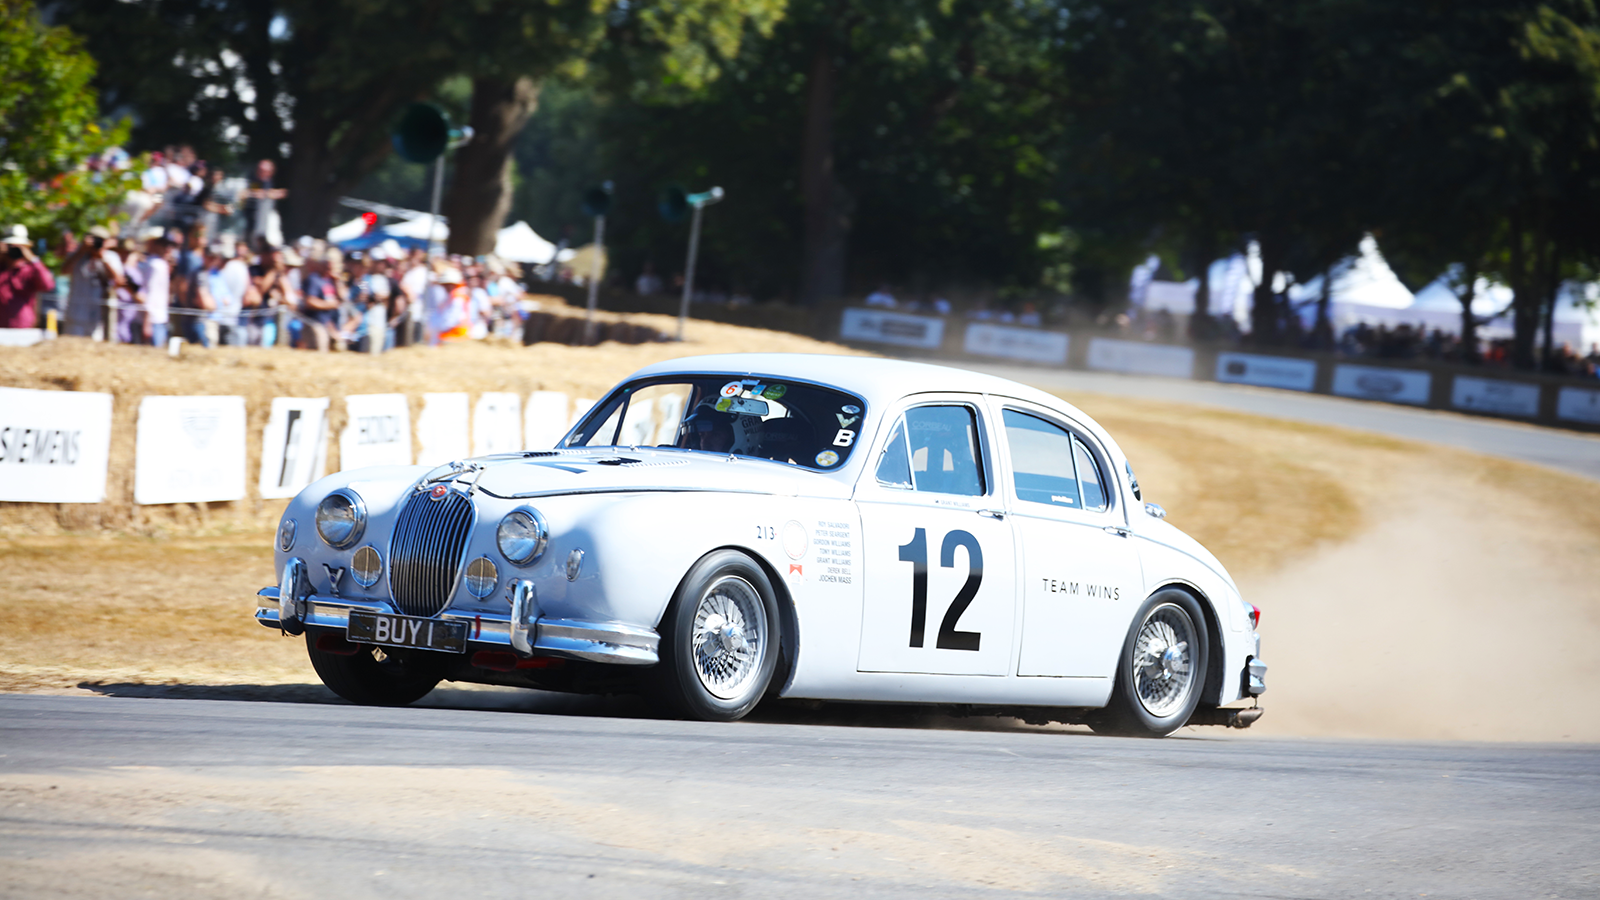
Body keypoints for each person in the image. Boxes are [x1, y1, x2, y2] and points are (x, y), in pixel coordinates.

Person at [61, 226, 123, 337]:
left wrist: (102, 257)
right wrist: (81, 251)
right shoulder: (77, 256)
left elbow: (119, 281)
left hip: (99, 316)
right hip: (76, 313)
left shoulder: (111, 257)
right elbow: (64, 271)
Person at [0, 225, 56, 329]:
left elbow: (48, 286)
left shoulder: (31, 270)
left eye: (18, 247)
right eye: (11, 247)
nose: (14, 250)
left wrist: (34, 260)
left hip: (22, 325)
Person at [134, 234, 173, 346]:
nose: (168, 249)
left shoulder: (154, 263)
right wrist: (147, 322)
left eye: (169, 246)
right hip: (153, 319)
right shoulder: (156, 265)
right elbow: (149, 293)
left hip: (156, 318)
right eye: (164, 245)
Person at [242, 159, 287, 251]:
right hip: (251, 220)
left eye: (266, 171)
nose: (262, 173)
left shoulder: (269, 182)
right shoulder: (253, 180)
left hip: (266, 221)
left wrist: (268, 193)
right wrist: (268, 194)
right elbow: (250, 193)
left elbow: (283, 193)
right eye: (261, 170)